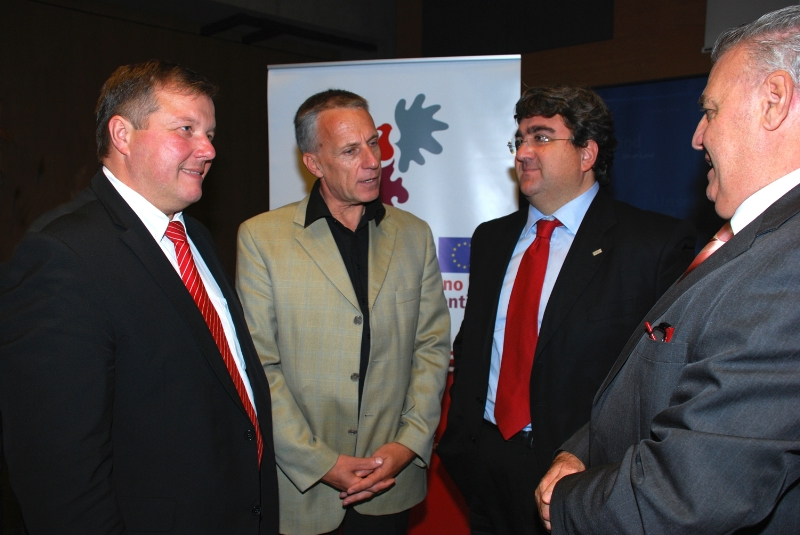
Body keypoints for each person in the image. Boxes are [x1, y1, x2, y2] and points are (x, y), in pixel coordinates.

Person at [535, 6, 800, 534]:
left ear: (774, 100)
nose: (698, 137)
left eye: (711, 111)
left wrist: (565, 501)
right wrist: (583, 449)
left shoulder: (786, 267)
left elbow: (693, 492)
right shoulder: (755, 243)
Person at [0, 60, 278, 534]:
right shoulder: (63, 257)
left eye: (210, 133)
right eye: (186, 129)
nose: (209, 149)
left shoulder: (194, 236)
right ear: (122, 135)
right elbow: (59, 477)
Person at [436, 86, 696, 535]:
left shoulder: (651, 245)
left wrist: (592, 457)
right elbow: (475, 345)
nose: (523, 152)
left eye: (541, 137)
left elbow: (657, 379)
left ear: (587, 153)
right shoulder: (491, 239)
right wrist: (463, 442)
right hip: (485, 464)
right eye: (519, 140)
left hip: (582, 474)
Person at [236, 89, 450, 535]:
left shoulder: (414, 235)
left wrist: (407, 445)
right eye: (350, 151)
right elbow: (259, 367)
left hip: (390, 482)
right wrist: (321, 462)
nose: (372, 161)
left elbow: (431, 347)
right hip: (302, 491)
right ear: (313, 163)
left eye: (373, 143)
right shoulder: (261, 239)